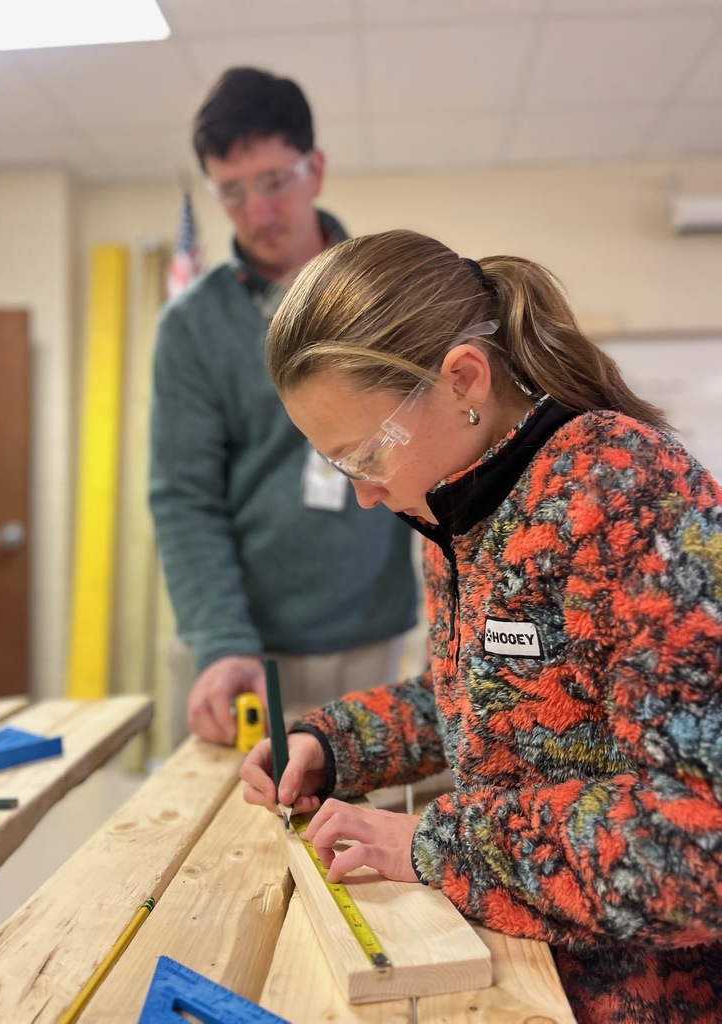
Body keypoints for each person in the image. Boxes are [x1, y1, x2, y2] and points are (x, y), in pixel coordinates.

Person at [240, 229, 722, 1024]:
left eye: (365, 456)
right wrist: (332, 745)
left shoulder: (628, 494)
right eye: (341, 469)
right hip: (519, 968)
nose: (363, 495)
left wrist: (436, 845)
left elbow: (696, 841)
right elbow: (480, 703)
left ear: (463, 378)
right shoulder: (457, 513)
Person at [149, 70, 418, 747]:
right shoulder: (190, 326)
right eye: (231, 192)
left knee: (358, 837)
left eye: (273, 182)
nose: (258, 212)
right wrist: (220, 638)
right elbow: (185, 499)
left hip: (368, 636)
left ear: (315, 169)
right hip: (240, 647)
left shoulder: (391, 293)